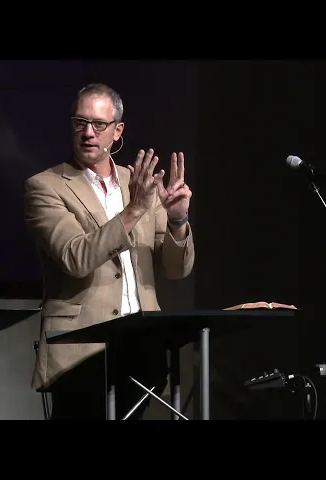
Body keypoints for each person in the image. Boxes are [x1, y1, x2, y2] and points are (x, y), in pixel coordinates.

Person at [24, 83, 195, 420]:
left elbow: (176, 269)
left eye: (98, 124)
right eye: (80, 123)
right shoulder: (46, 186)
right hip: (81, 351)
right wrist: (134, 210)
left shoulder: (140, 183)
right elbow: (75, 258)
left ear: (117, 131)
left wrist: (178, 220)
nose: (88, 133)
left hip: (143, 347)